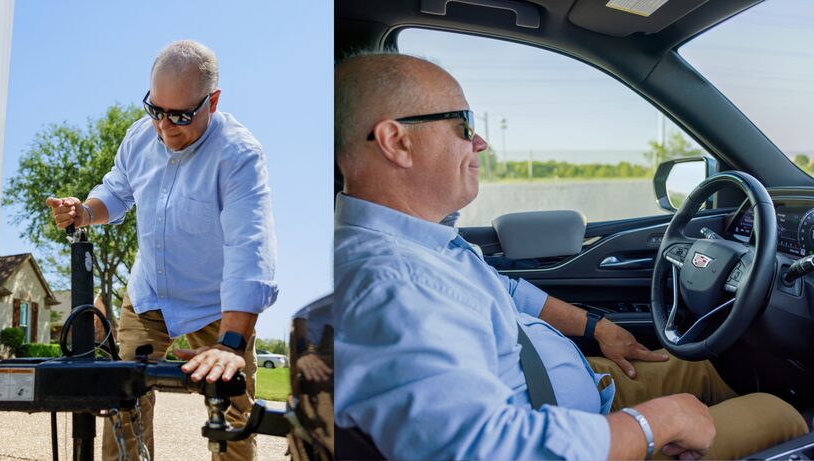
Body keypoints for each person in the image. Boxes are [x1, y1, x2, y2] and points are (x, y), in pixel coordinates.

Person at [333, 51, 808, 460]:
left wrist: (596, 329)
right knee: (779, 415)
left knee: (697, 368)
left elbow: (510, 291)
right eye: (464, 125)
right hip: (564, 434)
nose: (480, 142)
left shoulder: (427, 245)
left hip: (581, 394)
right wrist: (654, 425)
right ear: (398, 142)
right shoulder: (391, 282)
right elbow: (488, 448)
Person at [47, 40, 277, 461]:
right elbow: (116, 192)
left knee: (232, 413)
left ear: (213, 101)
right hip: (149, 293)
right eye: (156, 110)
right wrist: (84, 212)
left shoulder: (239, 155)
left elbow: (250, 250)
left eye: (181, 115)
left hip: (216, 303)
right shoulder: (140, 135)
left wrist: (229, 344)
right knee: (124, 403)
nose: (164, 127)